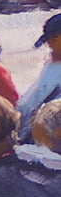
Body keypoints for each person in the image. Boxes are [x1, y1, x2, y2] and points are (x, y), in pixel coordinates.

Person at [17, 10, 61, 139]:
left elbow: (27, 106)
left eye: (52, 40)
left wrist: (17, 137)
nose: (49, 46)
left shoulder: (55, 69)